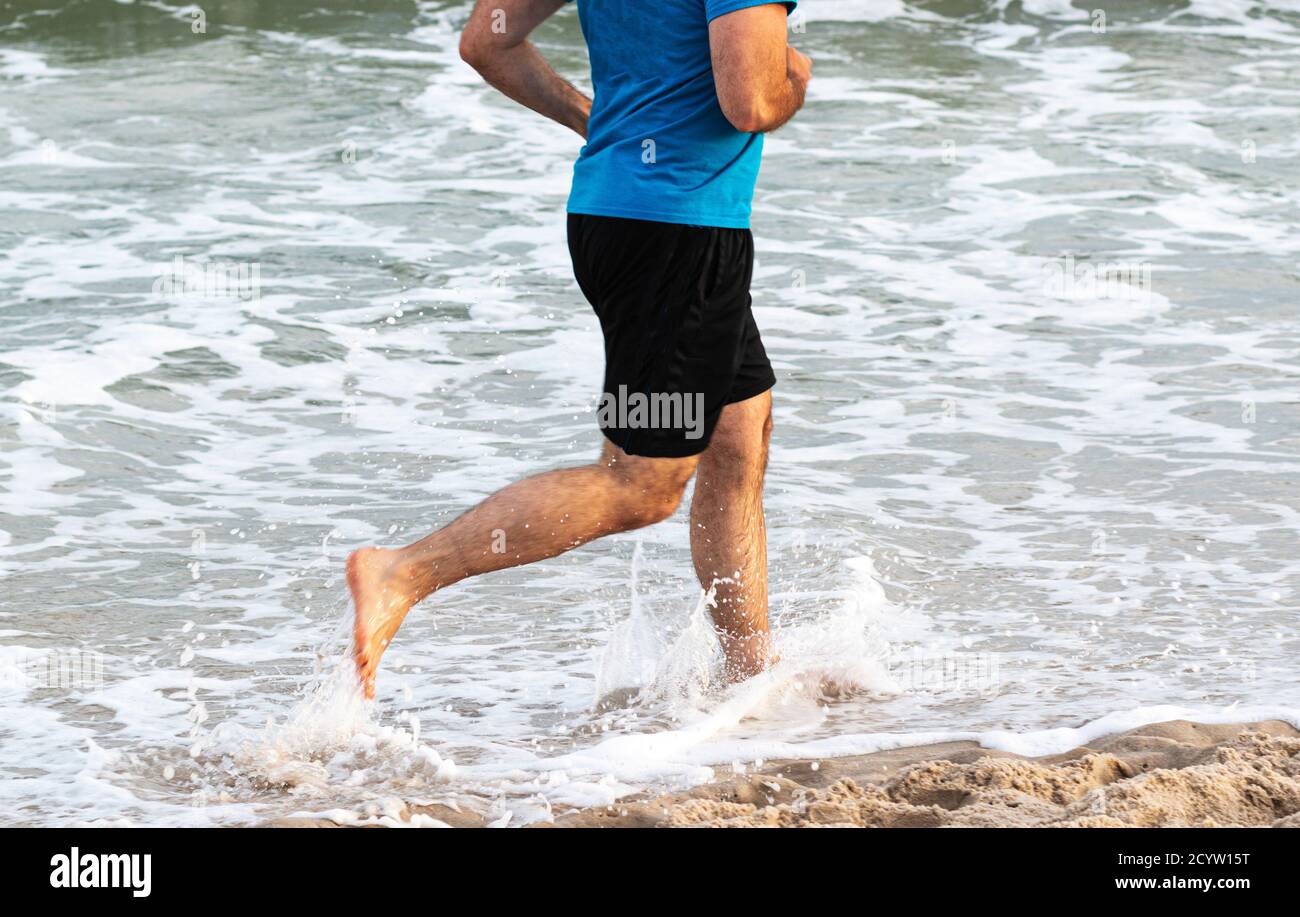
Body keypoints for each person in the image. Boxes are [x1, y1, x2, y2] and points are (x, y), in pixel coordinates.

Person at [349, 0, 811, 699]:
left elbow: (487, 41)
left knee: (738, 434)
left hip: (618, 216)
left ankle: (750, 676)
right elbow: (749, 101)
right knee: (642, 483)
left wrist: (596, 120)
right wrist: (795, 79)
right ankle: (403, 571)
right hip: (677, 236)